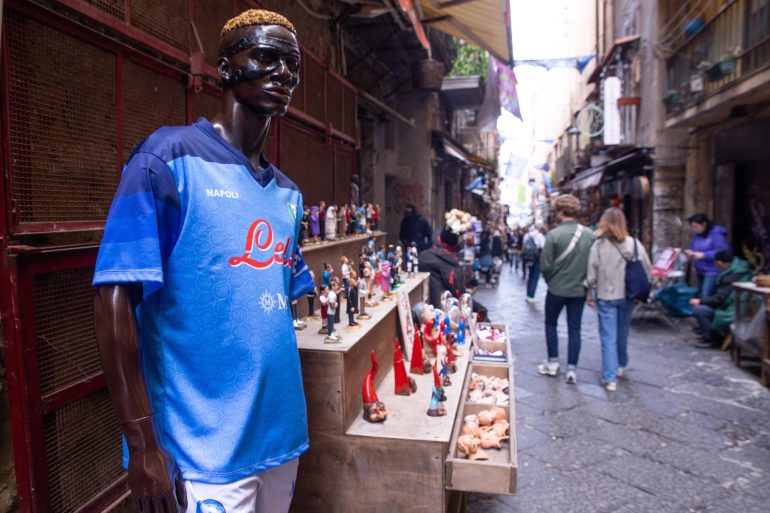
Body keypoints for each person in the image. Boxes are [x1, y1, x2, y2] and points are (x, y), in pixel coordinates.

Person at [92, 9, 312, 513]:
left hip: (281, 438)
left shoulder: (287, 194)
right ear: (226, 68)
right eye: (266, 57)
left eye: (292, 66)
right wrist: (143, 443)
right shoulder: (166, 158)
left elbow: (276, 302)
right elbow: (113, 298)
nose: (283, 74)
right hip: (201, 450)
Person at [586, 208, 651, 391]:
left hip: (606, 296)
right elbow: (647, 268)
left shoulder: (598, 246)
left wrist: (589, 293)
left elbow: (591, 275)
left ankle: (610, 377)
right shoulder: (634, 244)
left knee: (608, 337)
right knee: (622, 332)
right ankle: (621, 365)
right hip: (628, 295)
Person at [538, 194, 595, 384]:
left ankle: (553, 362)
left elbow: (545, 265)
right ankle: (572, 369)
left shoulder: (554, 234)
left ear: (560, 212)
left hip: (556, 289)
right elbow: (593, 264)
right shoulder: (588, 234)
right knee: (575, 329)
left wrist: (552, 280)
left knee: (551, 324)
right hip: (579, 290)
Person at [419, 226, 488, 320]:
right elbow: (459, 293)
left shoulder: (423, 256)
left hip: (427, 306)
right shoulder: (450, 264)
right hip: (443, 310)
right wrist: (480, 309)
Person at [689, 249, 752, 349]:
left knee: (700, 310)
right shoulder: (738, 270)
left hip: (732, 310)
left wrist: (700, 301)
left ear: (720, 263)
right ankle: (711, 335)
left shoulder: (731, 276)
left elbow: (720, 298)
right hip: (735, 306)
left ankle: (712, 339)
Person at [685, 213, 730, 300]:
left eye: (696, 226)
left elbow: (723, 251)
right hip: (701, 270)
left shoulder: (716, 234)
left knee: (707, 296)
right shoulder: (697, 235)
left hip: (713, 270)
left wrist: (704, 255)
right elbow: (697, 247)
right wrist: (692, 252)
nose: (694, 229)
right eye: (692, 227)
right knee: (701, 294)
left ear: (704, 224)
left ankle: (707, 312)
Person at [522, 224, 546, 303]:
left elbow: (524, 246)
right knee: (535, 277)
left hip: (528, 258)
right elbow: (543, 247)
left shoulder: (526, 235)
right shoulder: (540, 236)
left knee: (530, 276)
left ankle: (528, 294)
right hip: (537, 258)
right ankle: (531, 296)